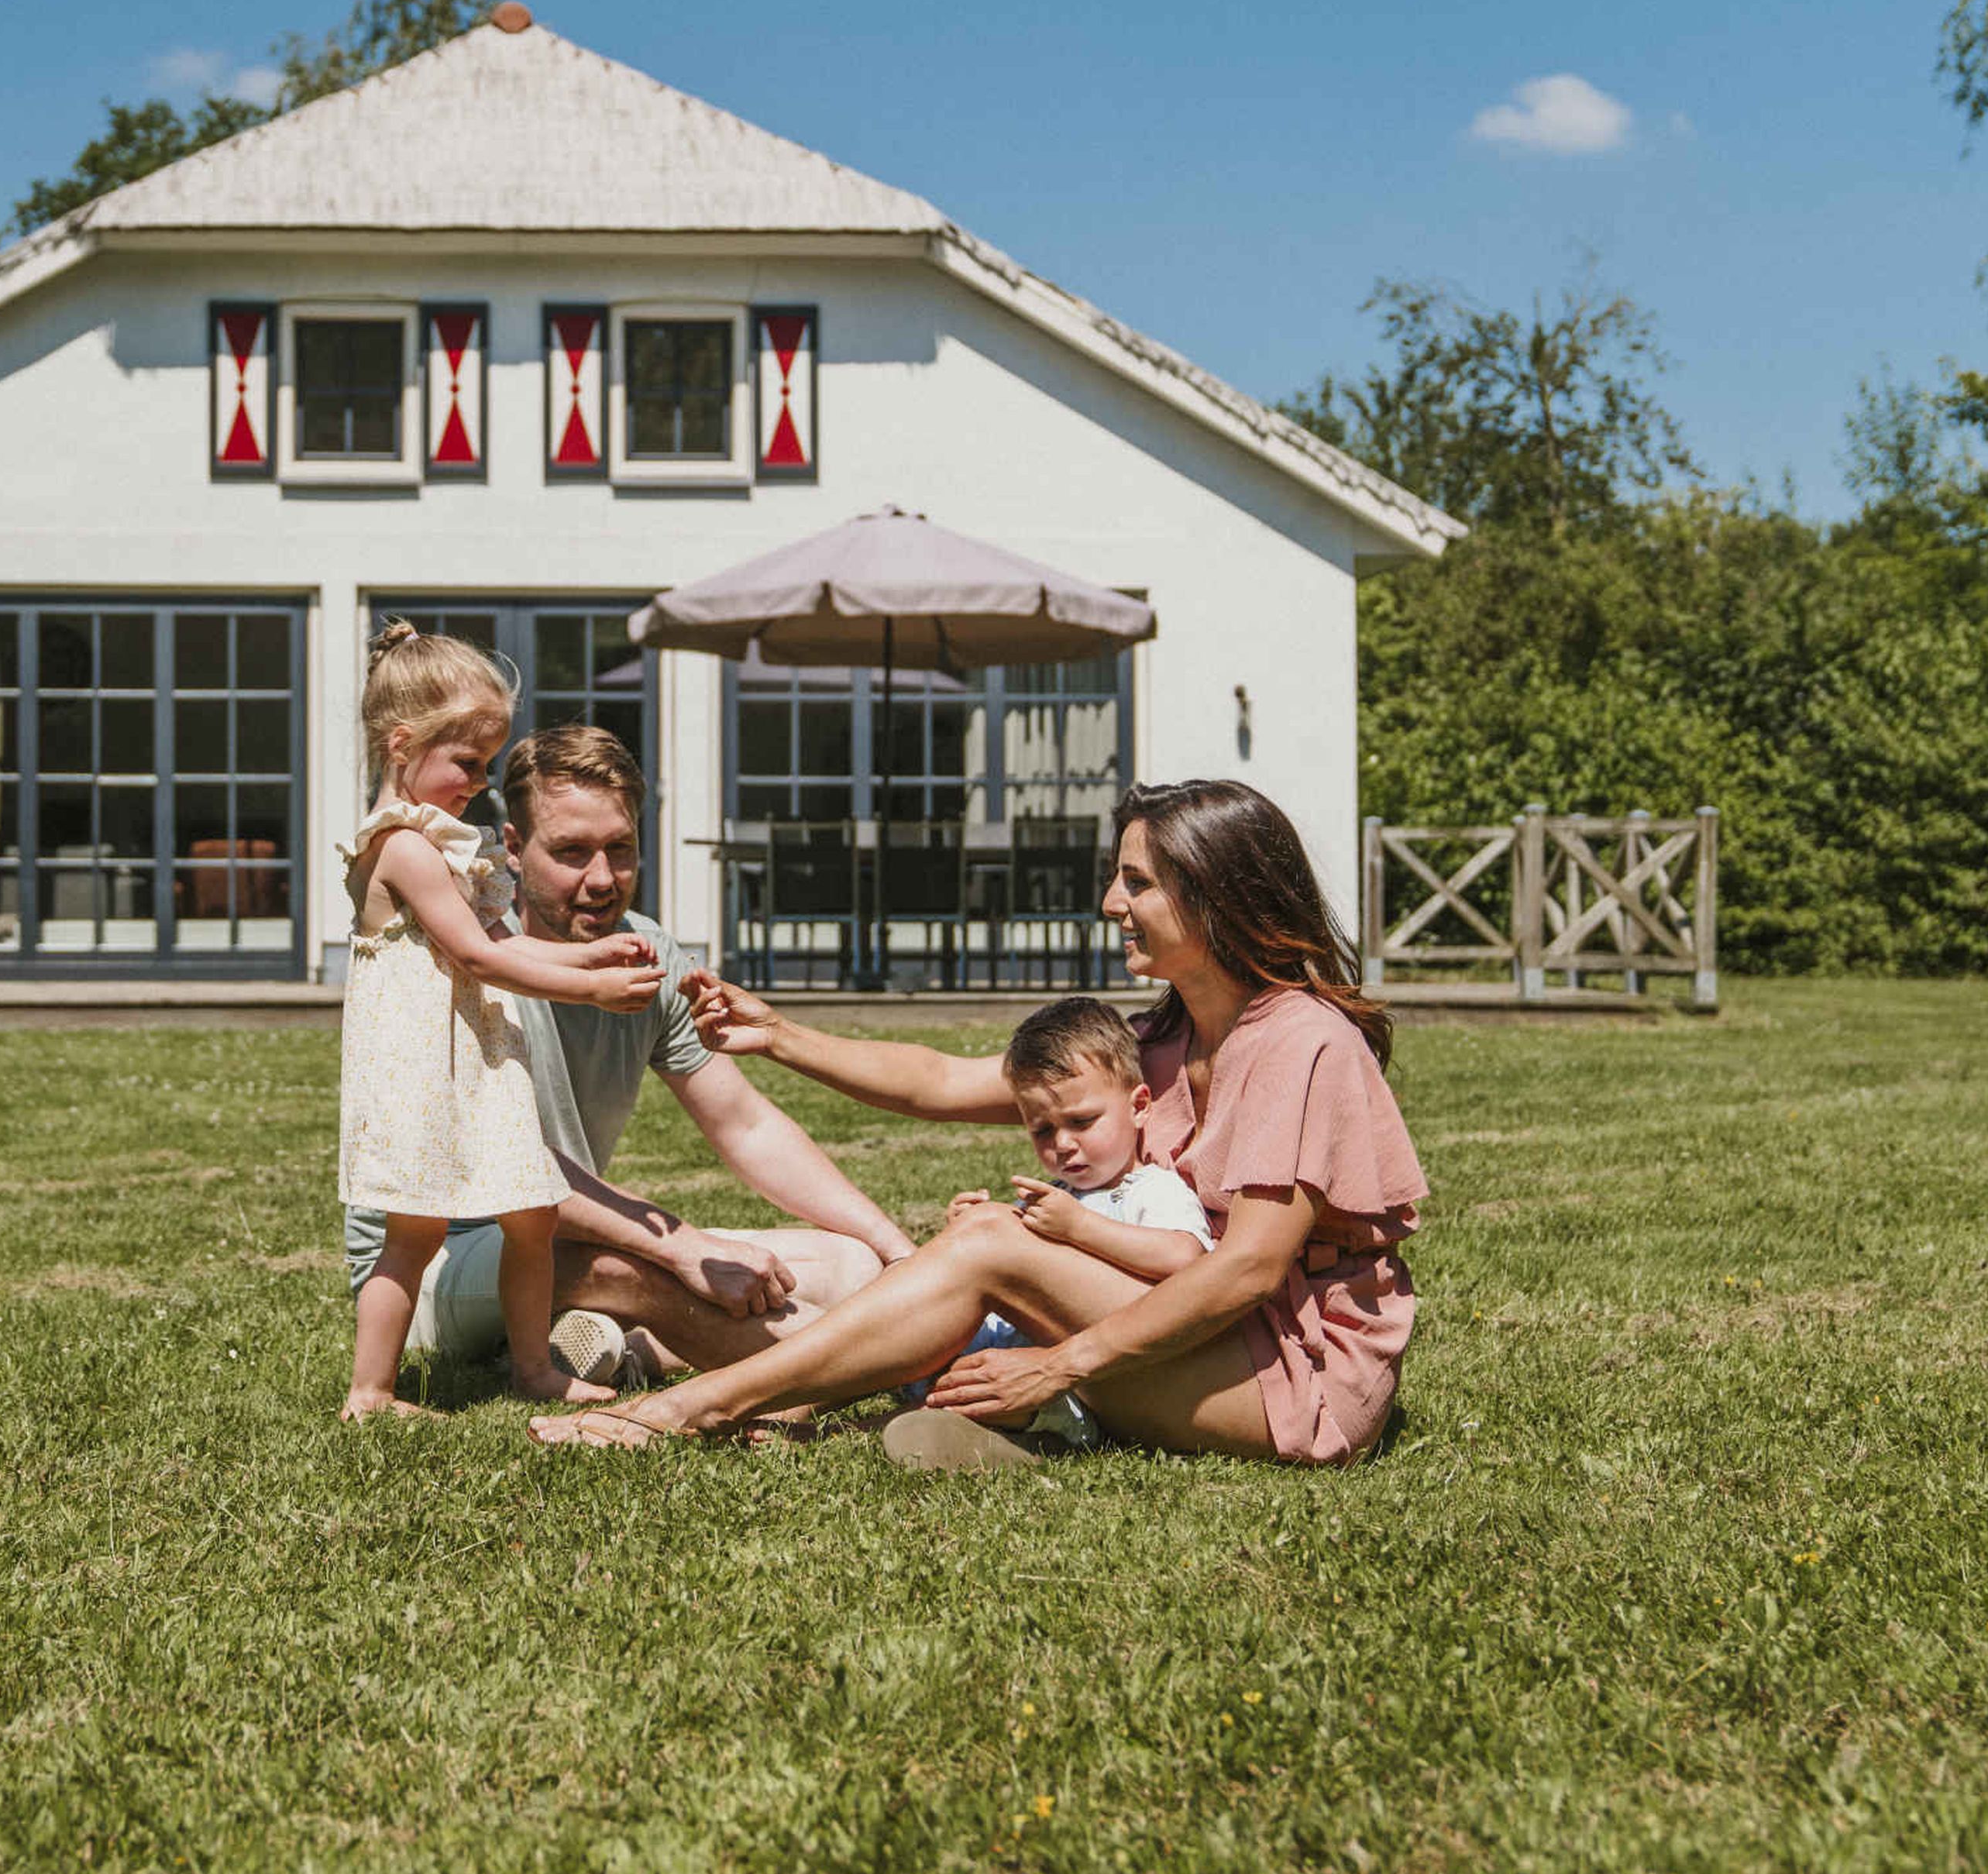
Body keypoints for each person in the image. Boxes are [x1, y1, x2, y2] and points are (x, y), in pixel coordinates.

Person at [528, 778, 1426, 1467]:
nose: (1112, 904)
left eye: (1137, 883)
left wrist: (1061, 1362)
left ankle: (696, 1407)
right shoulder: (1161, 1039)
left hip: (1293, 1381)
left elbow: (1248, 1270)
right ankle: (954, 1418)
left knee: (993, 1241)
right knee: (981, 1242)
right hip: (1200, 1343)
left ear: (1214, 895)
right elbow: (941, 1081)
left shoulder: (1299, 1040)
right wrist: (779, 1035)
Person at [342, 724, 913, 1387]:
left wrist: (898, 1252)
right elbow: (518, 1162)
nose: (602, 879)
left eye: (620, 850)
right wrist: (684, 1247)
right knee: (623, 1266)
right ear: (514, 849)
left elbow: (745, 1125)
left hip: (559, 1237)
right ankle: (867, 1367)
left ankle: (619, 1347)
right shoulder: (471, 958)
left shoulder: (649, 954)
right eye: (572, 852)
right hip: (435, 1264)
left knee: (851, 1266)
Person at [337, 627, 662, 1421]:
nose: (480, 783)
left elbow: (504, 944)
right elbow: (479, 958)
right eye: (469, 763)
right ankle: (370, 1392)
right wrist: (591, 990)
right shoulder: (403, 848)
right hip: (425, 1072)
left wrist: (592, 956)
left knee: (534, 1215)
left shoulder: (440, 845)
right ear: (403, 744)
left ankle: (533, 1368)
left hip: (474, 1063)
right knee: (414, 1233)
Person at [917, 995, 1214, 1448]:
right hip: (1014, 1352)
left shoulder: (1153, 1189)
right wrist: (971, 1225)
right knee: (926, 1318)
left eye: (1082, 1121)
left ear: (1138, 1106)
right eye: (1043, 1130)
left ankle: (1023, 1427)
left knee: (975, 1391)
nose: (1063, 1144)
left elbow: (1184, 1257)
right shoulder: (1060, 1195)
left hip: (1081, 1380)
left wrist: (1079, 1227)